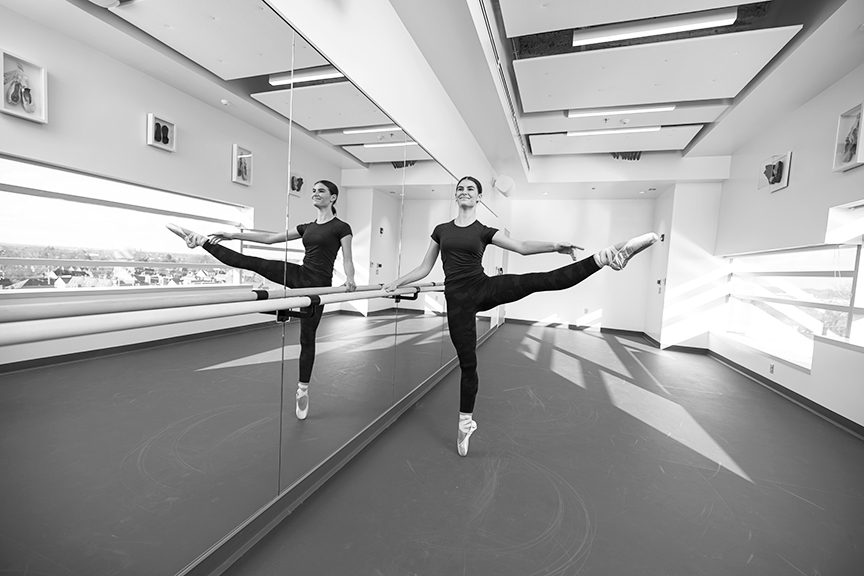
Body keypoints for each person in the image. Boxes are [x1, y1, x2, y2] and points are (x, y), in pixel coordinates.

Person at [384, 176, 657, 456]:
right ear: (456, 196)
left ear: (479, 198)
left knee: (539, 280)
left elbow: (522, 246)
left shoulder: (483, 230)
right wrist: (398, 282)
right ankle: (465, 423)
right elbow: (424, 267)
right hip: (458, 302)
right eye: (460, 188)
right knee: (468, 364)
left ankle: (606, 257)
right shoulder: (441, 230)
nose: (464, 192)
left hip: (483, 287)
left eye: (470, 189)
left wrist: (555, 246)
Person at [167, 180, 355, 420]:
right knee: (252, 262)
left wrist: (350, 278)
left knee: (307, 339)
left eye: (322, 191)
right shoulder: (306, 227)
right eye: (314, 191)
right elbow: (270, 238)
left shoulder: (341, 227)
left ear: (333, 198)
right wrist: (233, 234)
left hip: (318, 287)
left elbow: (348, 258)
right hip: (299, 274)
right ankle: (202, 241)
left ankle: (303, 390)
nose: (316, 194)